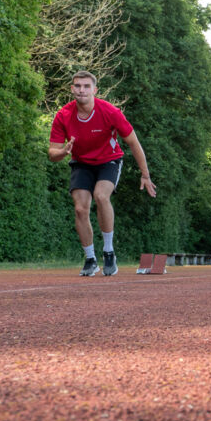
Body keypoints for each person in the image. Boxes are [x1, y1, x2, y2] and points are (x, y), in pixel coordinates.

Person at [48, 71, 157, 276]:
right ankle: (90, 259)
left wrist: (145, 174)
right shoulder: (63, 115)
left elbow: (133, 142)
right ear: (72, 89)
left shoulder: (110, 111)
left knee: (100, 195)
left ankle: (109, 252)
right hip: (81, 162)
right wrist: (63, 152)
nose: (82, 90)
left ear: (94, 90)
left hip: (109, 160)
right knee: (80, 208)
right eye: (78, 86)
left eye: (86, 86)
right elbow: (52, 153)